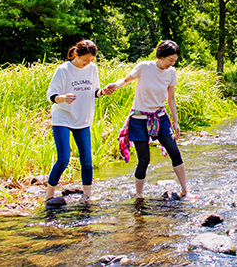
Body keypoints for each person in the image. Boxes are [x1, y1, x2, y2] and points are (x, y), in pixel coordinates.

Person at [108, 40, 187, 199]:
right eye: (170, 60)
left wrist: (176, 122)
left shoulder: (171, 73)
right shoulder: (144, 67)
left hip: (160, 118)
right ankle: (139, 195)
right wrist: (113, 86)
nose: (171, 64)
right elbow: (125, 81)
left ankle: (185, 191)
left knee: (174, 151)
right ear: (162, 56)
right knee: (144, 159)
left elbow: (171, 98)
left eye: (174, 61)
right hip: (139, 119)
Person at [44, 39, 111, 202]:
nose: (87, 63)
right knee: (64, 158)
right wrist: (63, 98)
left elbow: (94, 91)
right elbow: (51, 96)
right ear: (75, 54)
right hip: (63, 118)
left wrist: (103, 92)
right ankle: (49, 195)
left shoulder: (92, 69)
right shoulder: (63, 70)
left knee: (87, 160)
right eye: (85, 60)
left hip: (83, 118)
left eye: (91, 60)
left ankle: (87, 197)